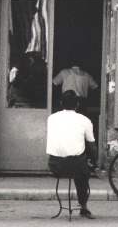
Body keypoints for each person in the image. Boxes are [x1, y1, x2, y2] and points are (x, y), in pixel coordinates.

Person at [46, 90, 96, 219]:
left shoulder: (51, 118)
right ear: (77, 104)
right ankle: (83, 206)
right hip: (77, 166)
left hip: (55, 165)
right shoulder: (84, 120)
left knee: (79, 163)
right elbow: (92, 146)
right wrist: (93, 162)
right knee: (83, 172)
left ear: (61, 103)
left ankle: (79, 205)